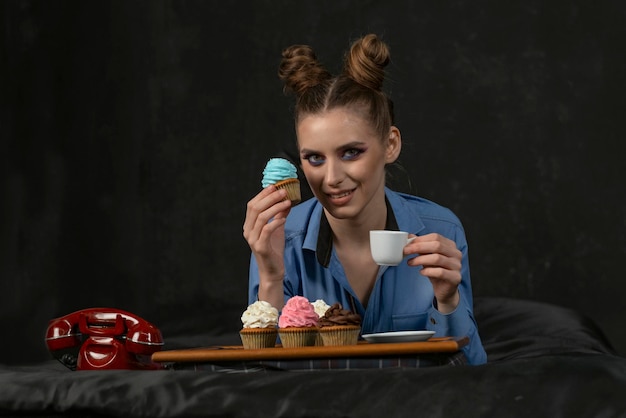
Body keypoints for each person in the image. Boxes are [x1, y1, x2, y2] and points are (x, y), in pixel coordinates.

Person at [243, 34, 487, 365]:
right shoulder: (280, 238)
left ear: (390, 144)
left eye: (351, 152)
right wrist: (270, 278)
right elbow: (263, 388)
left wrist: (448, 300)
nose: (331, 178)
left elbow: (472, 372)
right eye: (315, 158)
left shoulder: (441, 229)